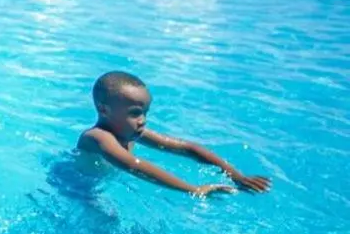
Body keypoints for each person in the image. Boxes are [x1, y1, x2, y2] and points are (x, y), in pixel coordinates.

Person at [77, 71, 271, 198]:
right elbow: (132, 165)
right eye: (134, 113)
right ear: (104, 110)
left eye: (145, 113)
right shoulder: (97, 137)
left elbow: (187, 148)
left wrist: (236, 176)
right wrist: (193, 190)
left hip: (100, 184)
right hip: (77, 188)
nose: (142, 120)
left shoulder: (133, 132)